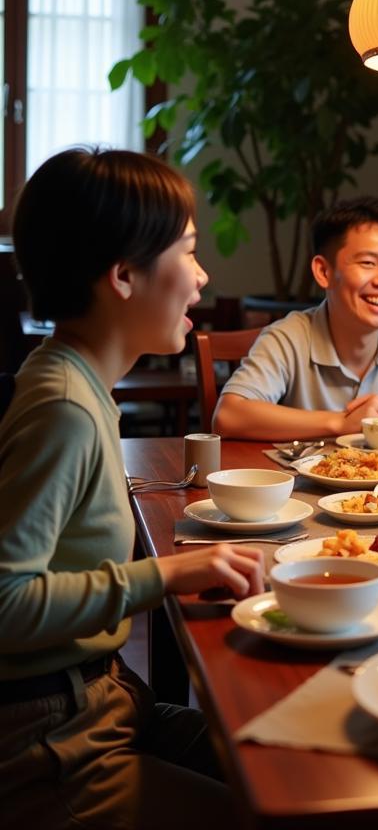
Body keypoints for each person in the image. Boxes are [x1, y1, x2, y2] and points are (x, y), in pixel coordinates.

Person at [0, 147, 265, 827]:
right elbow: (6, 602)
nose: (203, 277)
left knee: (275, 754)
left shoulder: (78, 381)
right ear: (122, 275)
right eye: (188, 250)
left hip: (103, 701)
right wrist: (166, 574)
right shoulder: (63, 405)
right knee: (278, 804)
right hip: (50, 740)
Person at [213, 196, 378, 441]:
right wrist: (342, 423)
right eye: (368, 263)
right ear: (323, 271)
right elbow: (229, 416)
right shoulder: (289, 335)